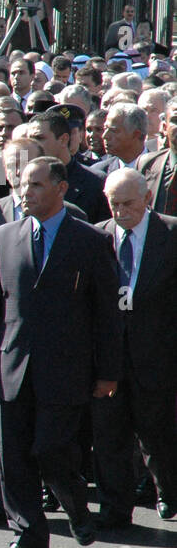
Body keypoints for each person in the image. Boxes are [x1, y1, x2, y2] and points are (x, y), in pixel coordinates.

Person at [0, 156, 124, 548]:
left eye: (36, 185)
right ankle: (29, 535)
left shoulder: (89, 241)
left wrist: (107, 372)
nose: (26, 192)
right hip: (11, 366)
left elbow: (106, 313)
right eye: (22, 184)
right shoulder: (3, 237)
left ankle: (75, 507)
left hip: (66, 369)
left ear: (60, 188)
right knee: (12, 455)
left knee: (53, 450)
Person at [90, 169, 177, 525]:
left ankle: (169, 493)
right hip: (109, 358)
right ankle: (114, 509)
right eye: (114, 204)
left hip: (157, 353)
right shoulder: (96, 237)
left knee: (157, 436)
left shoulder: (171, 234)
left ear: (148, 199)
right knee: (109, 436)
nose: (121, 211)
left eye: (128, 203)